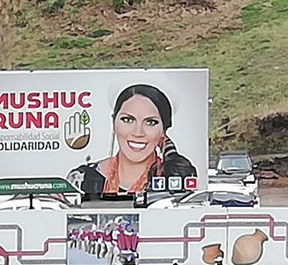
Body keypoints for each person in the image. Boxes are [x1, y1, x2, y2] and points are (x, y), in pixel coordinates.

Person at [66, 84, 198, 199]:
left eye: (150, 122)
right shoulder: (81, 178)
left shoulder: (173, 176)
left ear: (163, 129)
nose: (138, 132)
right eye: (128, 120)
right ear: (114, 122)